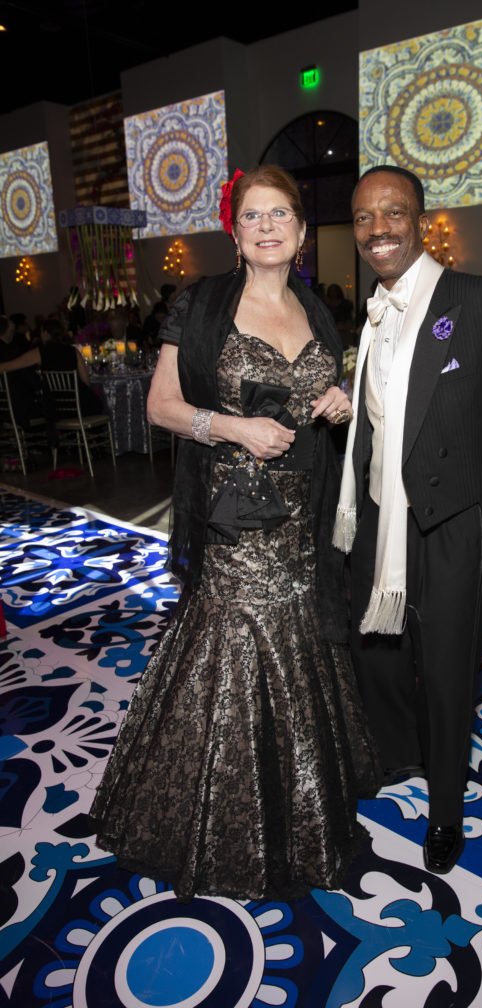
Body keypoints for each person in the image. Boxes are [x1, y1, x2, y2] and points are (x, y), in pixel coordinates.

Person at [90, 165, 380, 902]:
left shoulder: (317, 312)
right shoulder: (203, 304)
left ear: (302, 231)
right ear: (237, 233)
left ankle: (298, 804)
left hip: (301, 518)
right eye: (253, 215)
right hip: (232, 518)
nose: (268, 225)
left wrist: (336, 402)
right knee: (236, 643)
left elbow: (319, 395)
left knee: (298, 641)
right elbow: (160, 406)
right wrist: (231, 428)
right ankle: (218, 818)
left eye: (281, 213)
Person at [334, 165, 482, 875]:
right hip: (379, 517)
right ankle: (397, 756)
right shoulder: (369, 313)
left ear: (420, 219)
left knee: (444, 669)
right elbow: (378, 422)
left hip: (454, 523)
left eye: (392, 213)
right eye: (365, 217)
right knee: (374, 655)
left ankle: (444, 809)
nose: (378, 229)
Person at [0, 318, 102, 416]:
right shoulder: (73, 351)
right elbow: (86, 382)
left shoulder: (40, 352)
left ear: (45, 333)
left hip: (58, 408)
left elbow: (9, 366)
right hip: (84, 405)